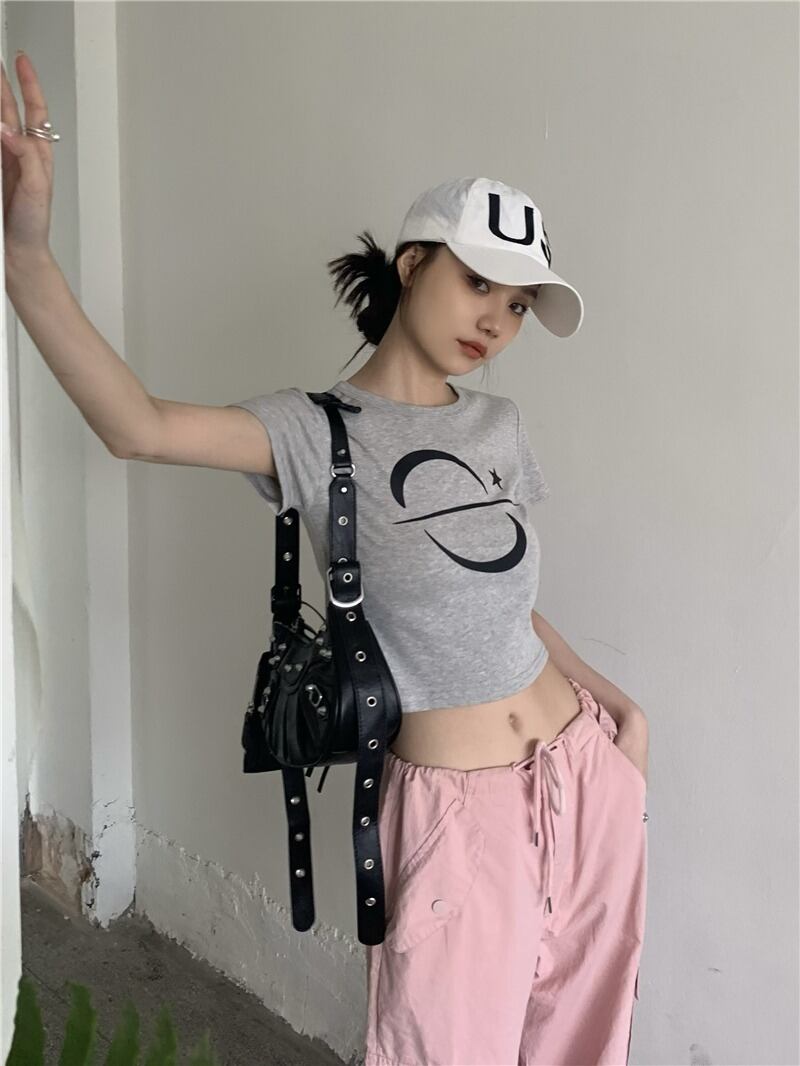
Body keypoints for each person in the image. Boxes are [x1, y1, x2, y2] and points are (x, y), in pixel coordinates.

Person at [3, 50, 649, 1066]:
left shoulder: (499, 426)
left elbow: (504, 608)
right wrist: (27, 253)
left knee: (586, 1047)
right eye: (478, 280)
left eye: (520, 303)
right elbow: (135, 425)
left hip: (582, 772)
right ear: (413, 265)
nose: (495, 318)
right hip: (457, 816)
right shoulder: (314, 431)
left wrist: (619, 715)